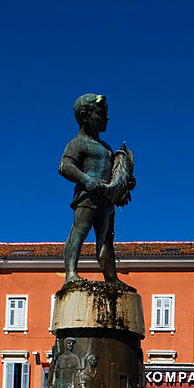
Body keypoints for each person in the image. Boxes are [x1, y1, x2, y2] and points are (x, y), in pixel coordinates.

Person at [59, 94, 135, 287]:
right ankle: (70, 273)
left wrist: (125, 182)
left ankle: (111, 277)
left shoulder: (107, 149)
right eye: (101, 114)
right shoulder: (77, 143)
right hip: (88, 195)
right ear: (85, 116)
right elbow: (65, 166)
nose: (106, 118)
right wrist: (86, 179)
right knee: (80, 231)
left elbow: (115, 173)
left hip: (106, 197)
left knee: (107, 238)